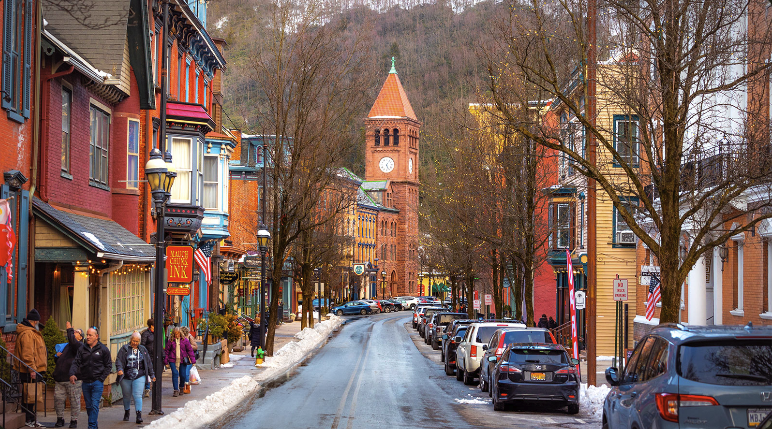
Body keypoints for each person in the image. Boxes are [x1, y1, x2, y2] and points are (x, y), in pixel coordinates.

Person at [70, 327, 112, 429]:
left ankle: (91, 426)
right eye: (87, 335)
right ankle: (94, 426)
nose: (87, 337)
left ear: (96, 337)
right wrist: (72, 373)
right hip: (85, 382)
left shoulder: (103, 349)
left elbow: (108, 366)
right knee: (89, 407)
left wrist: (101, 378)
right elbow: (76, 362)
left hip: (97, 382)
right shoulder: (82, 349)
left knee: (94, 405)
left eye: (90, 335)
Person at [115, 331, 155, 424]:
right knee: (126, 395)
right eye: (133, 341)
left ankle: (139, 415)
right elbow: (119, 360)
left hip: (139, 375)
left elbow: (148, 363)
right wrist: (120, 369)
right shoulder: (124, 349)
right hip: (126, 376)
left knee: (138, 395)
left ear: (139, 341)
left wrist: (152, 374)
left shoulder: (143, 349)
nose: (135, 343)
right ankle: (127, 412)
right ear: (130, 340)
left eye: (137, 341)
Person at [15, 309, 46, 427]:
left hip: (33, 368)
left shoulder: (30, 332)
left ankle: (31, 418)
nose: (38, 324)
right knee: (29, 396)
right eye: (37, 322)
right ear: (33, 321)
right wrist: (32, 369)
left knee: (31, 395)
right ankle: (29, 419)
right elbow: (27, 354)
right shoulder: (28, 333)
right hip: (30, 370)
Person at [53, 322, 83, 428]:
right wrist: (57, 357)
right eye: (74, 331)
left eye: (77, 332)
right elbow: (61, 361)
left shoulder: (80, 346)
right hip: (60, 379)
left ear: (80, 337)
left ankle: (73, 420)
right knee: (58, 400)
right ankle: (60, 419)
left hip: (73, 379)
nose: (74, 333)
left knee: (74, 400)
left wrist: (69, 329)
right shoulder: (66, 347)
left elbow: (73, 343)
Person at [163, 327, 195, 397]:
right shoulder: (171, 341)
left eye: (178, 334)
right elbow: (167, 351)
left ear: (180, 333)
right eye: (175, 334)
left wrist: (193, 360)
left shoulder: (185, 341)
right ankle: (176, 390)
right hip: (173, 360)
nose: (177, 335)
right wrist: (166, 361)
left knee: (183, 375)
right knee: (175, 374)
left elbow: (190, 350)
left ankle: (181, 387)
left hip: (182, 360)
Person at [179, 326, 198, 392]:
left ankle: (187, 388)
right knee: (182, 373)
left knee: (186, 373)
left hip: (189, 358)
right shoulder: (180, 338)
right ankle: (183, 387)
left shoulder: (190, 337)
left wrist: (188, 346)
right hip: (182, 358)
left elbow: (195, 346)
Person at [140, 318, 155, 398]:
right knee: (148, 372)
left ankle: (151, 387)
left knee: (152, 372)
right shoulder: (146, 334)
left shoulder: (156, 333)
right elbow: (142, 345)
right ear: (151, 326)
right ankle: (147, 388)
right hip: (148, 355)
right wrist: (145, 354)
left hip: (154, 356)